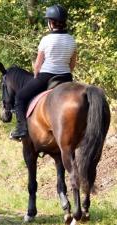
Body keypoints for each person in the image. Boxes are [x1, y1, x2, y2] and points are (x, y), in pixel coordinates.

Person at [10, 4, 77, 140]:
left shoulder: (46, 40)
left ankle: (21, 129)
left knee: (20, 97)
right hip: (66, 77)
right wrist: (66, 72)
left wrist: (36, 77)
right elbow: (72, 63)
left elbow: (38, 64)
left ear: (51, 23)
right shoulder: (71, 40)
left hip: (46, 77)